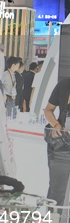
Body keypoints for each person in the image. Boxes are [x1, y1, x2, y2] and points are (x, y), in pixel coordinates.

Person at [44, 78, 70, 206]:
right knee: (57, 191)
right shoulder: (64, 85)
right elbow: (48, 110)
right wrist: (56, 124)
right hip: (62, 145)